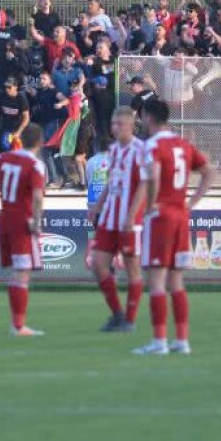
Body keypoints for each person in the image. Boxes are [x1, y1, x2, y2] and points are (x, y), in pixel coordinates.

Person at [133, 99, 214, 356]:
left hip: (161, 216)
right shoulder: (182, 144)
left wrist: (151, 204)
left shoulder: (152, 146)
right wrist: (191, 203)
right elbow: (209, 172)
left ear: (147, 117)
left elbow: (153, 175)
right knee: (176, 282)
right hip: (181, 215)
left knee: (156, 281)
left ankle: (159, 342)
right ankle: (182, 340)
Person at [0, 123, 48, 336]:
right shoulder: (35, 165)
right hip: (22, 222)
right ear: (40, 142)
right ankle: (18, 325)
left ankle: (17, 323)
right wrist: (36, 221)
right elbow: (37, 196)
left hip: (5, 219)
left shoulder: (3, 158)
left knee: (19, 271)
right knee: (22, 272)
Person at [87, 107, 147, 332]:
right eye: (113, 124)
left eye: (119, 124)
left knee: (132, 270)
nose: (114, 128)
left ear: (131, 125)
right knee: (99, 265)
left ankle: (129, 320)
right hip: (109, 218)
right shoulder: (113, 151)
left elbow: (144, 184)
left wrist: (131, 215)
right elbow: (113, 180)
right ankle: (118, 314)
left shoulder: (140, 150)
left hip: (129, 221)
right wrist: (98, 206)